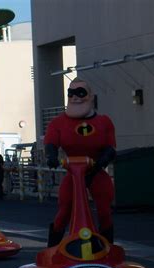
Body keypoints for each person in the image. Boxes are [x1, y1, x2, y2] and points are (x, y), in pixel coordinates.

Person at [44, 77, 116, 245]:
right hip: (73, 172)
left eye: (80, 93)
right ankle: (52, 249)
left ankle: (108, 247)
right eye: (71, 93)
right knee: (64, 211)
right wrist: (51, 156)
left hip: (96, 171)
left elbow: (110, 147)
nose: (75, 97)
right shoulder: (58, 123)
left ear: (90, 96)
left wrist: (102, 162)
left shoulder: (104, 122)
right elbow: (51, 142)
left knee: (105, 210)